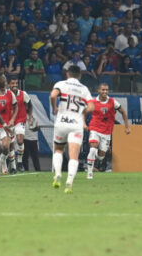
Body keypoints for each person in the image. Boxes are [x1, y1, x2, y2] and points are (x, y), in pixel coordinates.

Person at [49, 65, 94, 193]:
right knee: (73, 155)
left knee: (58, 149)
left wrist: (55, 108)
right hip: (76, 124)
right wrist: (82, 112)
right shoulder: (84, 89)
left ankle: (57, 173)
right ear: (80, 76)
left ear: (67, 74)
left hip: (62, 122)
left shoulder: (61, 84)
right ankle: (69, 181)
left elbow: (53, 96)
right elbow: (91, 107)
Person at [86, 83, 130, 179]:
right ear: (99, 91)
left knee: (101, 156)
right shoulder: (93, 102)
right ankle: (89, 173)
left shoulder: (113, 102)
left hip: (106, 132)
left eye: (106, 90)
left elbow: (123, 112)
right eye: (103, 90)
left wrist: (127, 127)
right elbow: (84, 112)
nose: (105, 92)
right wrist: (83, 124)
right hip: (95, 128)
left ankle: (95, 156)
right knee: (92, 148)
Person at [8, 77, 32, 172]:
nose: (14, 85)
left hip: (20, 120)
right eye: (12, 83)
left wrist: (30, 117)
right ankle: (13, 167)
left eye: (16, 83)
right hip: (9, 122)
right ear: (8, 84)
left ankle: (19, 162)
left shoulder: (23, 94)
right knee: (10, 144)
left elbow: (30, 105)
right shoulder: (6, 94)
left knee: (20, 140)